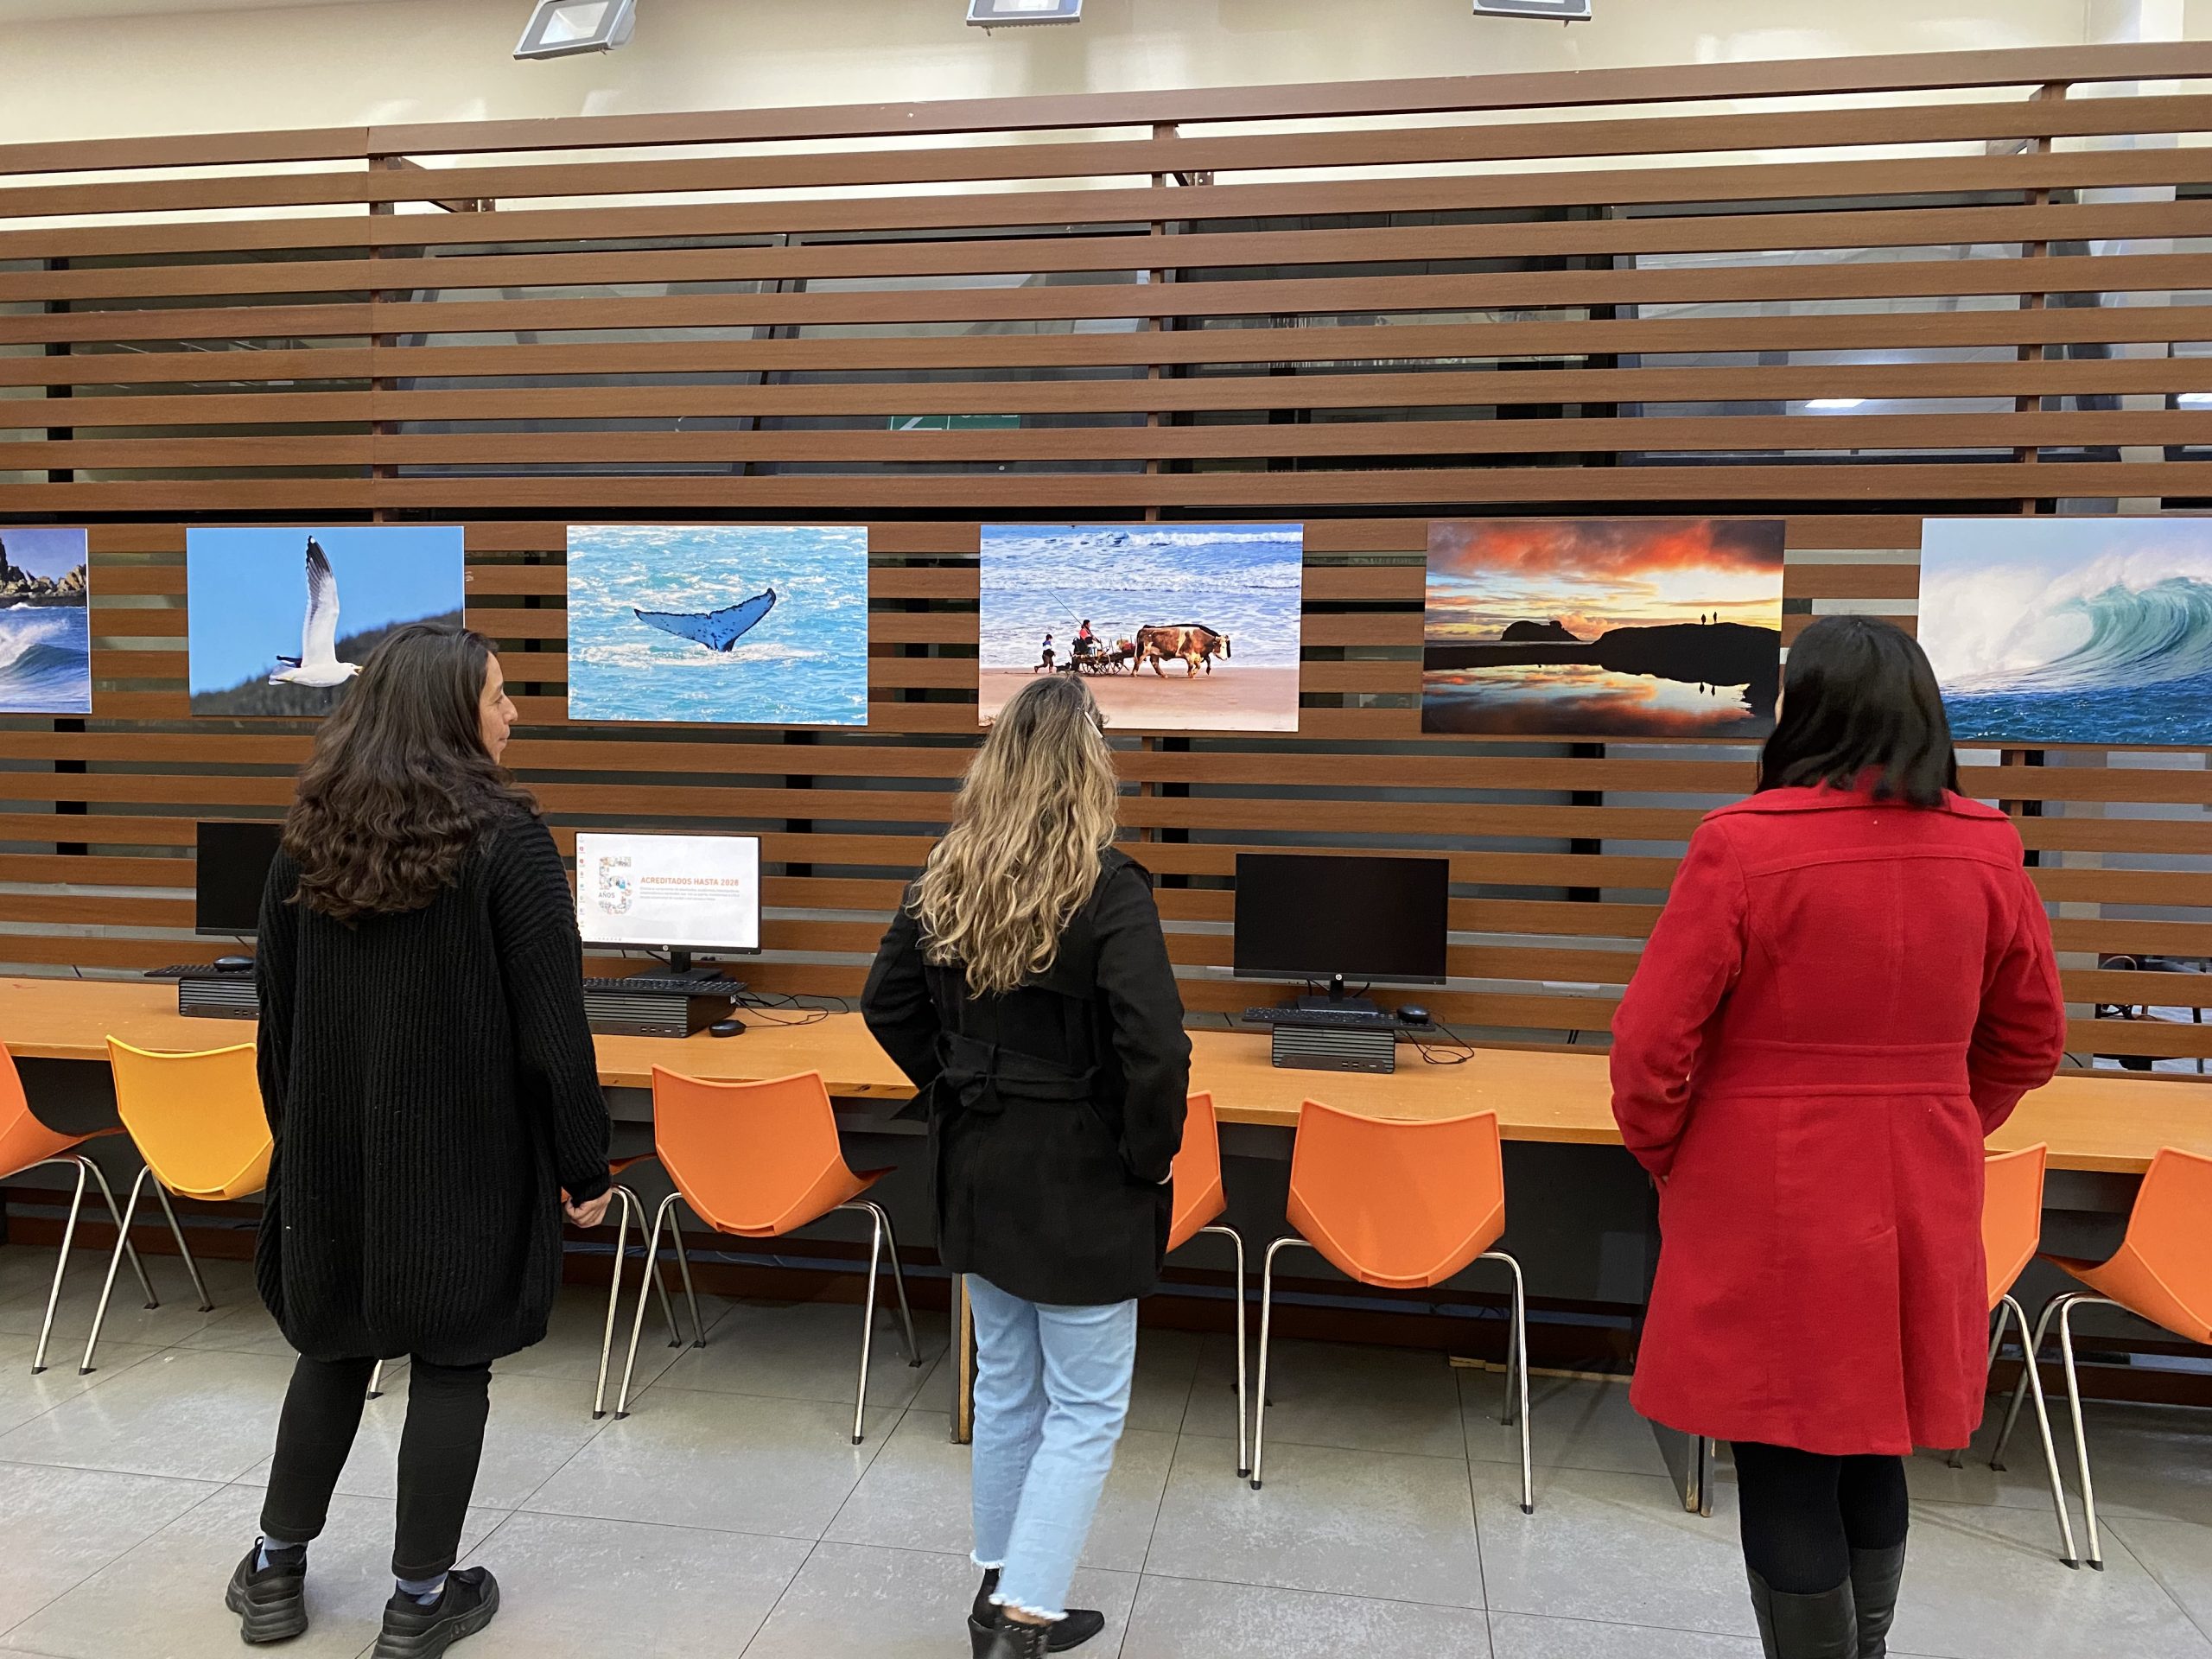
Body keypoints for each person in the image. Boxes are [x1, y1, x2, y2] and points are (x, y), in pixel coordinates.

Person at [1611, 615, 2066, 1659]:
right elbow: (2031, 1038)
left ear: (1802, 709)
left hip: (1764, 1191)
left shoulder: (1741, 843)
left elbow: (1649, 1045)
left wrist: (1675, 1152)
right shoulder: (1989, 847)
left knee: (1781, 1456)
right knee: (1873, 1445)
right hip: (1921, 1190)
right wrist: (1943, 1118)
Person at [228, 624, 613, 1657]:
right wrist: (584, 1161)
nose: (513, 715)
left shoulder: (307, 839)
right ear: (450, 714)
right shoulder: (509, 844)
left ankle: (272, 1573)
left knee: (332, 1349)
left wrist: (299, 1143)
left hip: (332, 1159)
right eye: (498, 697)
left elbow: (278, 1019)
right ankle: (418, 1602)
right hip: (467, 1165)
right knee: (452, 1364)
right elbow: (554, 1029)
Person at [861, 674, 1189, 1659]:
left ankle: (999, 1584)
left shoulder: (946, 871)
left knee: (1005, 1384)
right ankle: (1025, 1616)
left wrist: (955, 1082)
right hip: (1080, 1173)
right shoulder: (1108, 886)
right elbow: (1156, 1048)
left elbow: (885, 1004)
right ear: (1091, 770)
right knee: (1086, 1406)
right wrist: (1146, 1157)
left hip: (977, 1160)